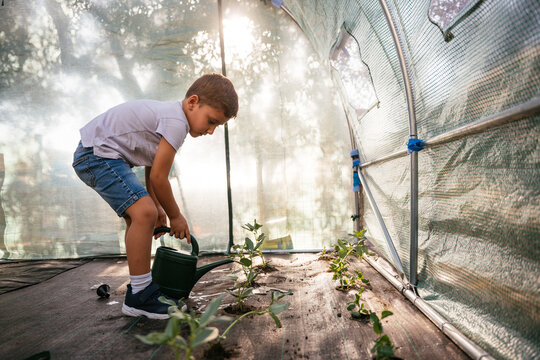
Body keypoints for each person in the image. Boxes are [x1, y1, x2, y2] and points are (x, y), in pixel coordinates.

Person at [72, 73, 238, 319]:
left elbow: (152, 168)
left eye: (217, 126)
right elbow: (160, 178)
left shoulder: (172, 117)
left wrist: (159, 208)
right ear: (193, 102)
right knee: (144, 212)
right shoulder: (177, 122)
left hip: (98, 155)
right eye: (211, 121)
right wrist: (176, 216)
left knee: (141, 215)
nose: (211, 131)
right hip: (96, 155)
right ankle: (140, 295)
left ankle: (141, 287)